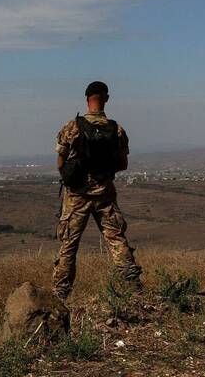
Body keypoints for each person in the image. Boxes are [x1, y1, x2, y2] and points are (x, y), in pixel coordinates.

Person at [52, 81, 142, 300]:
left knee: (69, 245)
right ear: (106, 99)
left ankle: (60, 295)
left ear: (87, 99)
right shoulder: (117, 129)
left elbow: (60, 163)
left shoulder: (72, 127)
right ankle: (133, 287)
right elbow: (122, 165)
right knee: (116, 239)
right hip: (105, 194)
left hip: (76, 197)